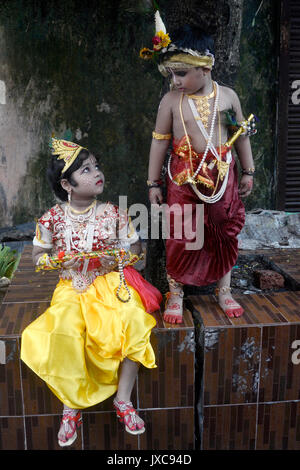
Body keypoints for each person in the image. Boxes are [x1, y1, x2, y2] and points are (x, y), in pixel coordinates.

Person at [21, 138, 162, 447]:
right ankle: (71, 408)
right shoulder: (51, 220)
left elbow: (135, 250)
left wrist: (120, 258)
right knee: (66, 328)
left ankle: (123, 400)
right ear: (66, 184)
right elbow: (37, 259)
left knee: (133, 321)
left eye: (96, 166)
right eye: (86, 170)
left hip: (109, 283)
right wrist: (59, 260)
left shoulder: (114, 214)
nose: (97, 173)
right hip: (71, 287)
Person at [142, 13, 256, 323]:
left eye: (181, 73)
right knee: (180, 234)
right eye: (172, 75)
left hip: (222, 179)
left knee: (223, 232)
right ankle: (175, 293)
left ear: (205, 68)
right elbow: (159, 142)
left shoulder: (228, 98)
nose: (175, 81)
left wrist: (249, 170)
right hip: (183, 179)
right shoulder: (170, 101)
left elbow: (241, 135)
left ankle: (224, 289)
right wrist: (153, 184)